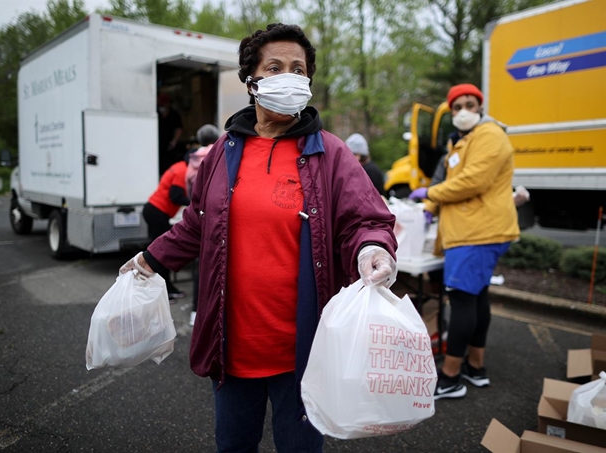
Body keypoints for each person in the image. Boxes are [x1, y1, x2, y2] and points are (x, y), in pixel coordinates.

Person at [121, 23, 398, 453]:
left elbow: (366, 218)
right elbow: (197, 222)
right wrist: (149, 260)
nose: (289, 76)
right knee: (233, 446)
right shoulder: (224, 151)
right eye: (275, 67)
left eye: (298, 69)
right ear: (251, 81)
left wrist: (373, 247)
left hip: (304, 353)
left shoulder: (330, 152)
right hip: (231, 349)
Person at [409, 83, 520, 400]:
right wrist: (429, 207)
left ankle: (451, 376)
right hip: (473, 230)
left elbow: (472, 182)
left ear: (481, 107)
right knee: (475, 298)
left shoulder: (489, 135)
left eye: (469, 105)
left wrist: (429, 194)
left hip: (476, 232)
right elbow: (452, 180)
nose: (462, 112)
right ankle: (475, 367)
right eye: (456, 107)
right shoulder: (463, 141)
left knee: (460, 300)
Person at [185, 124, 221, 327]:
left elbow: (189, 188)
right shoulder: (220, 153)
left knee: (200, 266)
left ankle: (195, 311)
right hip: (218, 219)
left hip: (199, 218)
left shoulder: (192, 159)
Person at [142, 156, 190, 300]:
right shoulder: (183, 171)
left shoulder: (179, 166)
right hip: (158, 212)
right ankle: (166, 290)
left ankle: (155, 288)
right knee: (163, 252)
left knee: (157, 251)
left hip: (152, 209)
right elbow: (175, 196)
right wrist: (196, 202)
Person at [345, 133, 387, 197]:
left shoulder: (370, 171)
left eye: (355, 154)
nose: (351, 157)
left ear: (362, 155)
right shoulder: (361, 168)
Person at [157, 92, 183, 176]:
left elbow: (179, 128)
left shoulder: (174, 114)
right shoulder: (156, 113)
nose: (163, 107)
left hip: (170, 145)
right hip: (158, 144)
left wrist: (174, 141)